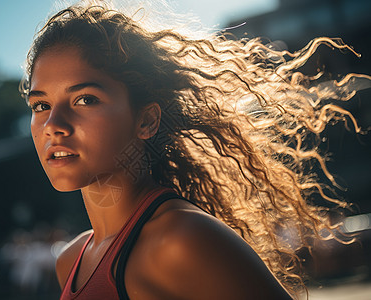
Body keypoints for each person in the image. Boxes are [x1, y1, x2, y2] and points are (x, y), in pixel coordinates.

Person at [20, 1, 370, 299]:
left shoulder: (181, 241)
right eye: (40, 106)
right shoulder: (70, 261)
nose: (54, 124)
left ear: (146, 120)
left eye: (85, 99)